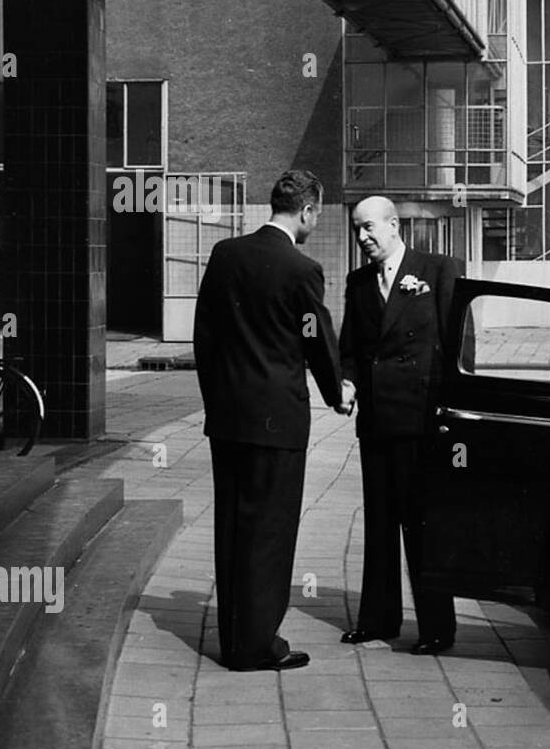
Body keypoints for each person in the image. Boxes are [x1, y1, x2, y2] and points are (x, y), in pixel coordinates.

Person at [193, 170, 350, 671]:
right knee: (271, 531)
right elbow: (315, 337)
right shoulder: (301, 270)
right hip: (278, 422)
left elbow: (205, 336)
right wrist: (338, 392)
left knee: (233, 527)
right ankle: (258, 644)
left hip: (229, 421)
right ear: (306, 211)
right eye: (317, 214)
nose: (315, 222)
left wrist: (216, 401)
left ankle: (234, 638)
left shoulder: (225, 255)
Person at [337, 197, 462, 655]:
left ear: (394, 225)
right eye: (356, 229)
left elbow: (456, 347)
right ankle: (378, 619)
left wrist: (450, 415)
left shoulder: (439, 270)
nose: (362, 238)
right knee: (380, 522)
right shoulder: (357, 282)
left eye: (369, 228)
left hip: (422, 420)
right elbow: (349, 347)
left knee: (423, 524)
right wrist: (347, 382)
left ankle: (436, 628)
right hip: (376, 420)